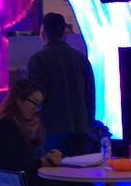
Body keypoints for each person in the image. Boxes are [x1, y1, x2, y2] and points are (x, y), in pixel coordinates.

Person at [27, 12, 96, 154]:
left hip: (50, 130)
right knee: (77, 167)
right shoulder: (81, 59)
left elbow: (34, 100)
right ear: (64, 33)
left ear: (42, 32)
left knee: (52, 167)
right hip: (80, 128)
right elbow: (90, 97)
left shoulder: (37, 60)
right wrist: (88, 124)